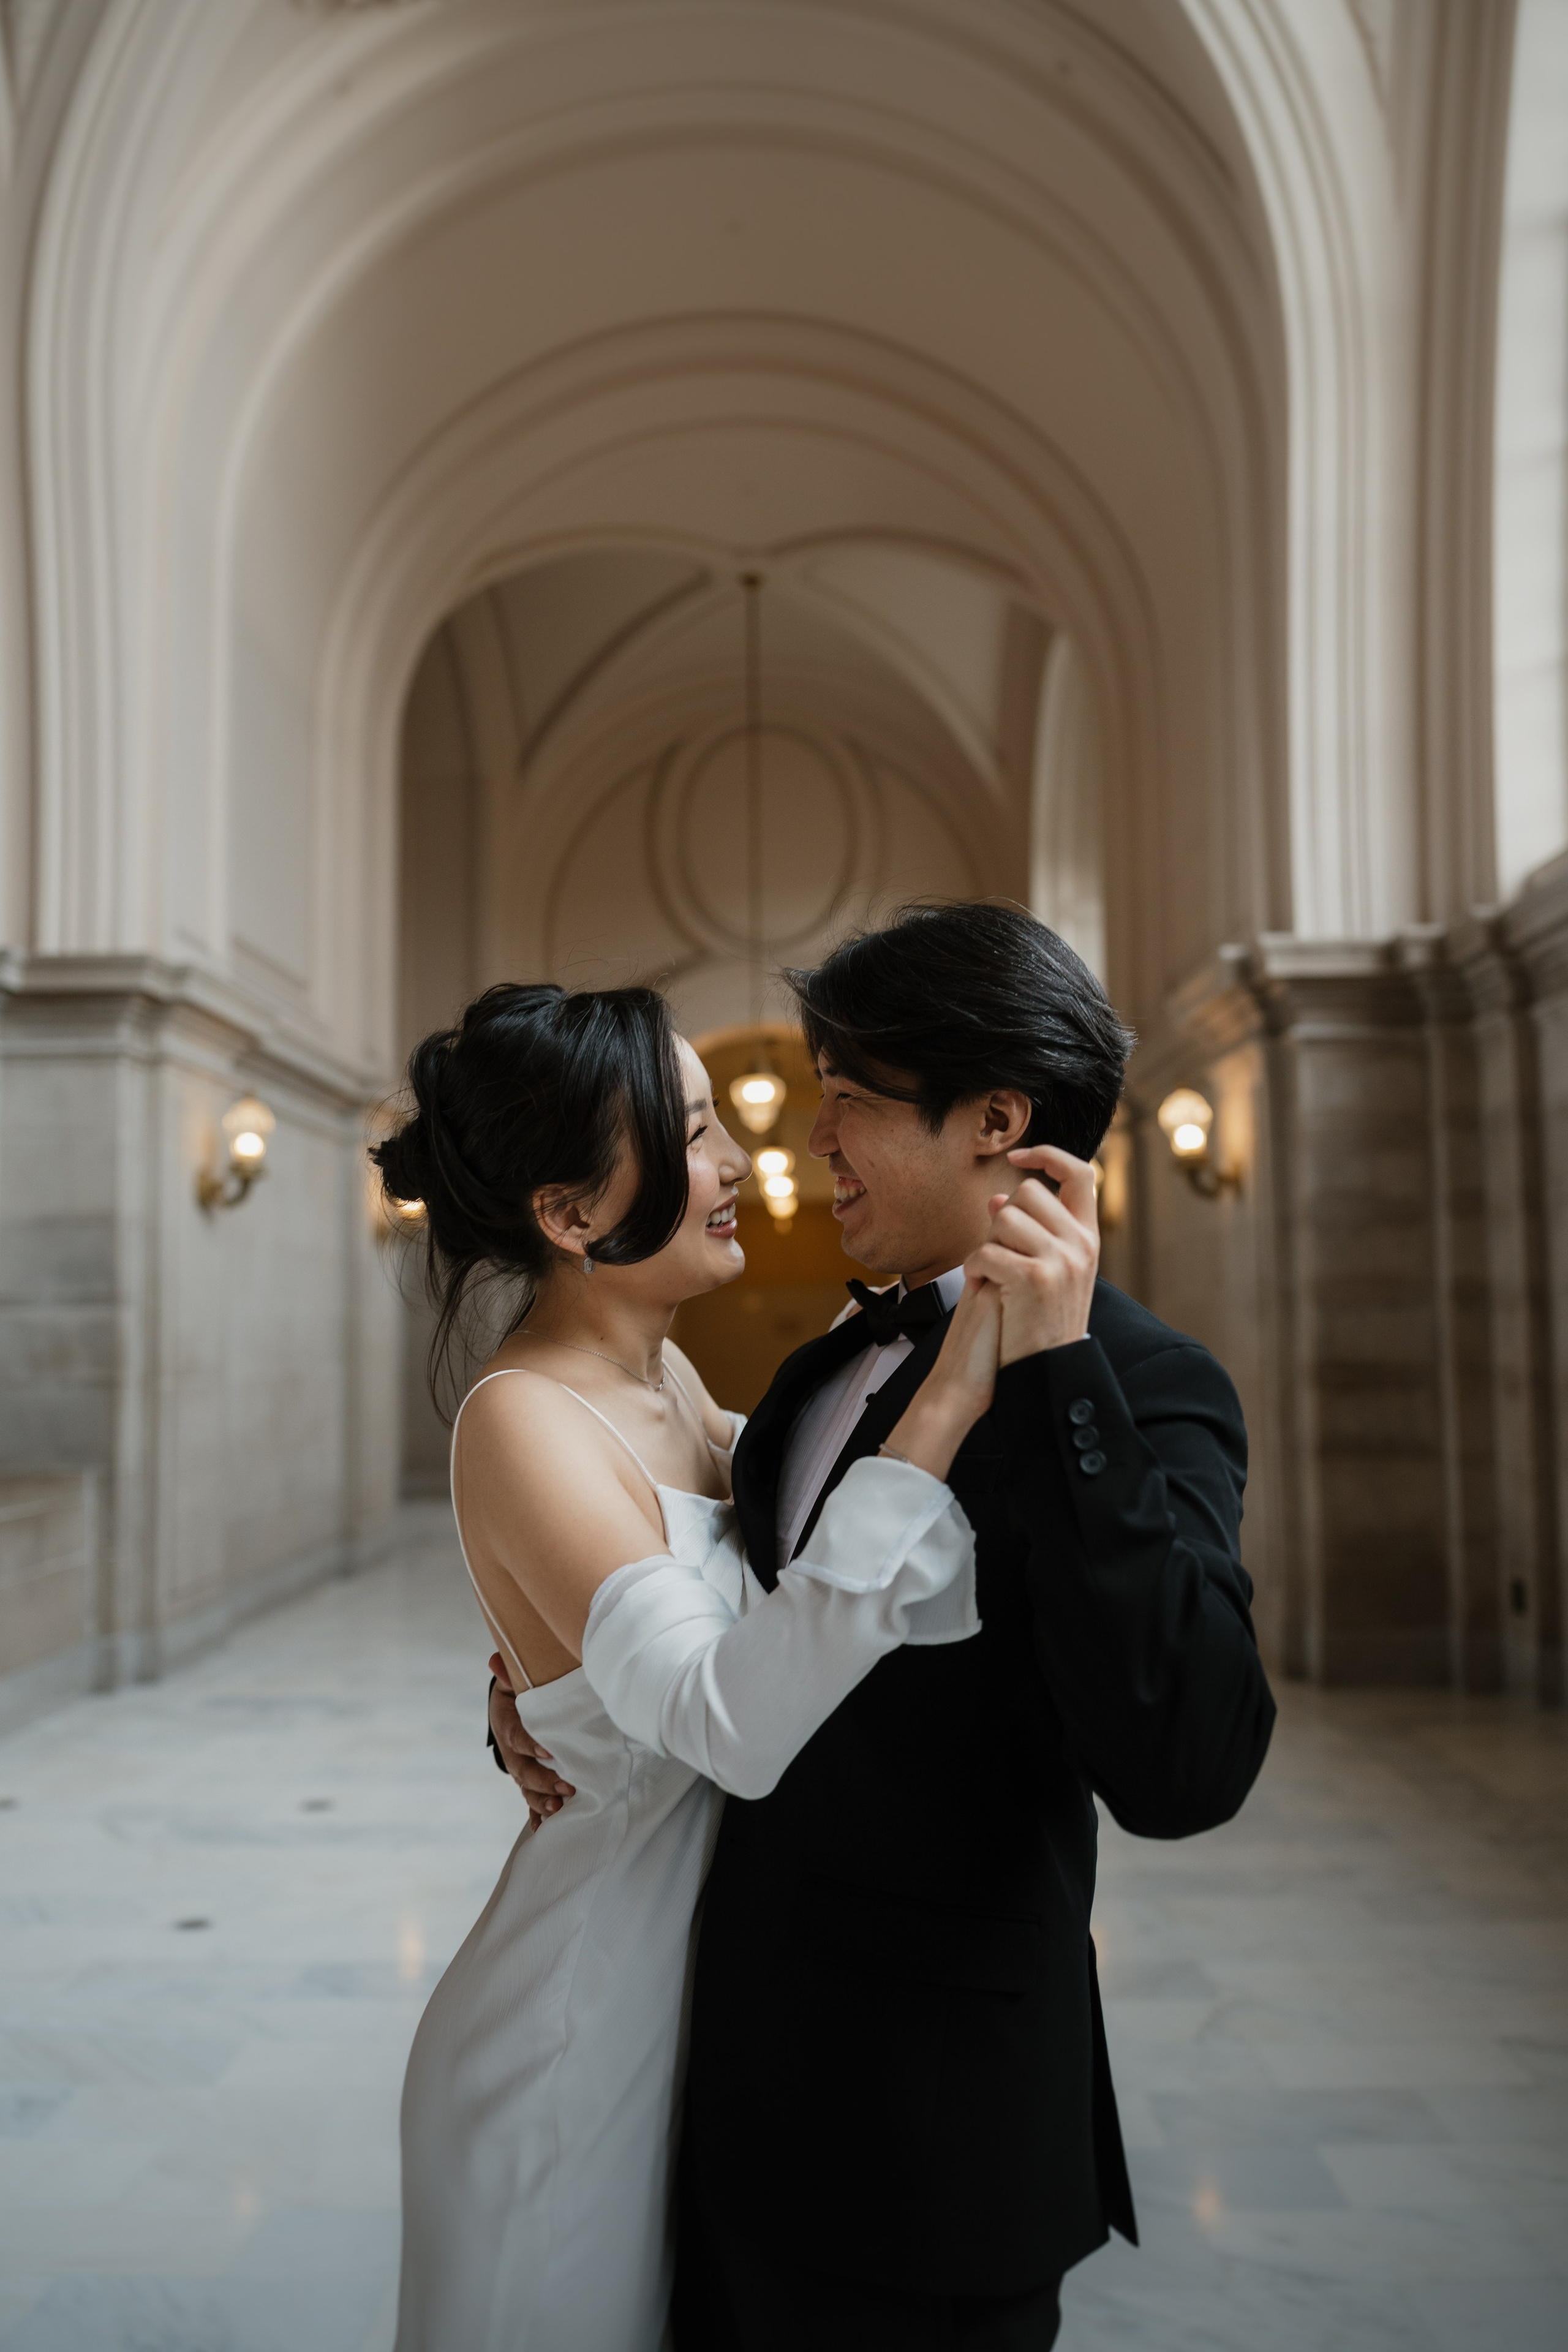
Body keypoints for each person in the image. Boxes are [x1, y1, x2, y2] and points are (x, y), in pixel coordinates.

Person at [496, 903, 1277, 2351]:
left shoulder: (1151, 1392)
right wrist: (547, 1696)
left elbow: (1189, 1762)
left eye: (846, 1099)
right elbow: (707, 1607)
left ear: (994, 1122)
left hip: (933, 2148)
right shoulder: (813, 1374)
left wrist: (1057, 1378)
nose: (808, 1138)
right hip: (715, 2100)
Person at [377, 979, 1005, 2352]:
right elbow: (728, 1717)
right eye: (693, 1134)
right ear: (569, 1214)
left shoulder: (671, 1390)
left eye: (722, 1125)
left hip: (706, 2011)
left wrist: (533, 1703)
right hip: (573, 2032)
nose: (737, 1167)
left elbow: (809, 1571)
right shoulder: (524, 1420)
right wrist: (950, 1396)